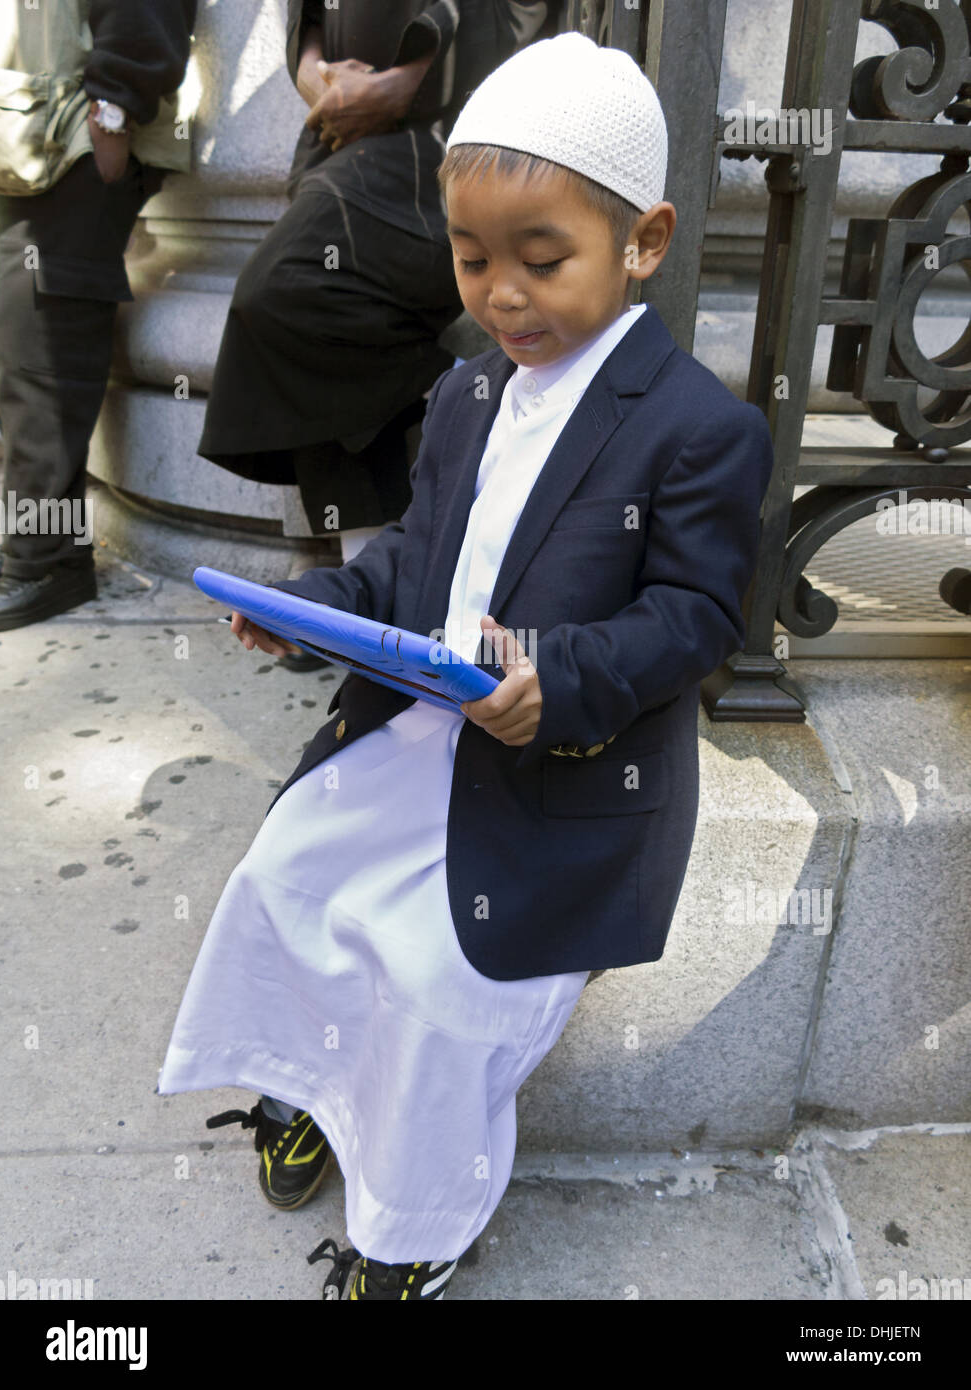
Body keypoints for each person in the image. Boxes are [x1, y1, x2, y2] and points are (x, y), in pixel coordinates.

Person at [158, 32, 776, 1300]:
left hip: (553, 774)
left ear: (644, 243)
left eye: (542, 261)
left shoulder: (700, 428)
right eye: (473, 259)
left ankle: (417, 1227)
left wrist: (558, 677)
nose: (502, 294)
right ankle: (317, 1094)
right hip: (413, 735)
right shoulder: (466, 395)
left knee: (442, 987)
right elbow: (409, 569)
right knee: (287, 873)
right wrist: (312, 610)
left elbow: (695, 616)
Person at [196, 1, 555, 676]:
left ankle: (463, 395)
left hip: (449, 133)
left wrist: (401, 84)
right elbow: (305, 16)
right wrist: (319, 82)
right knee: (329, 335)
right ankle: (365, 603)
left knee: (293, 292)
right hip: (344, 134)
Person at [0, 0, 197, 630]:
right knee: (23, 339)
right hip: (30, 139)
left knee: (43, 346)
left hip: (75, 140)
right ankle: (49, 547)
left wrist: (114, 110)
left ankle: (45, 562)